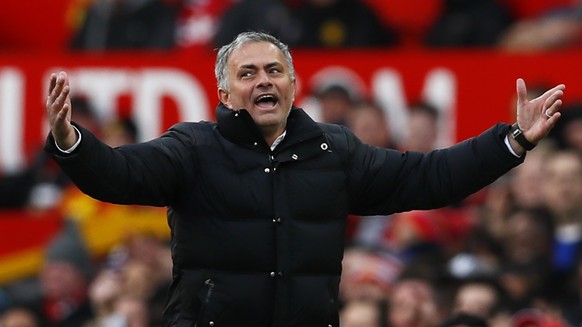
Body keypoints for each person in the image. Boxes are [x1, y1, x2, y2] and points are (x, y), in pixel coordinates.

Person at [44, 31, 565, 326]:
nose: (263, 80)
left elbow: (429, 178)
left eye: (273, 71)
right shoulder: (193, 148)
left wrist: (511, 142)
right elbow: (120, 174)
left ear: (293, 85)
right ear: (225, 95)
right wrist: (71, 140)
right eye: (247, 74)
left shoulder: (333, 150)